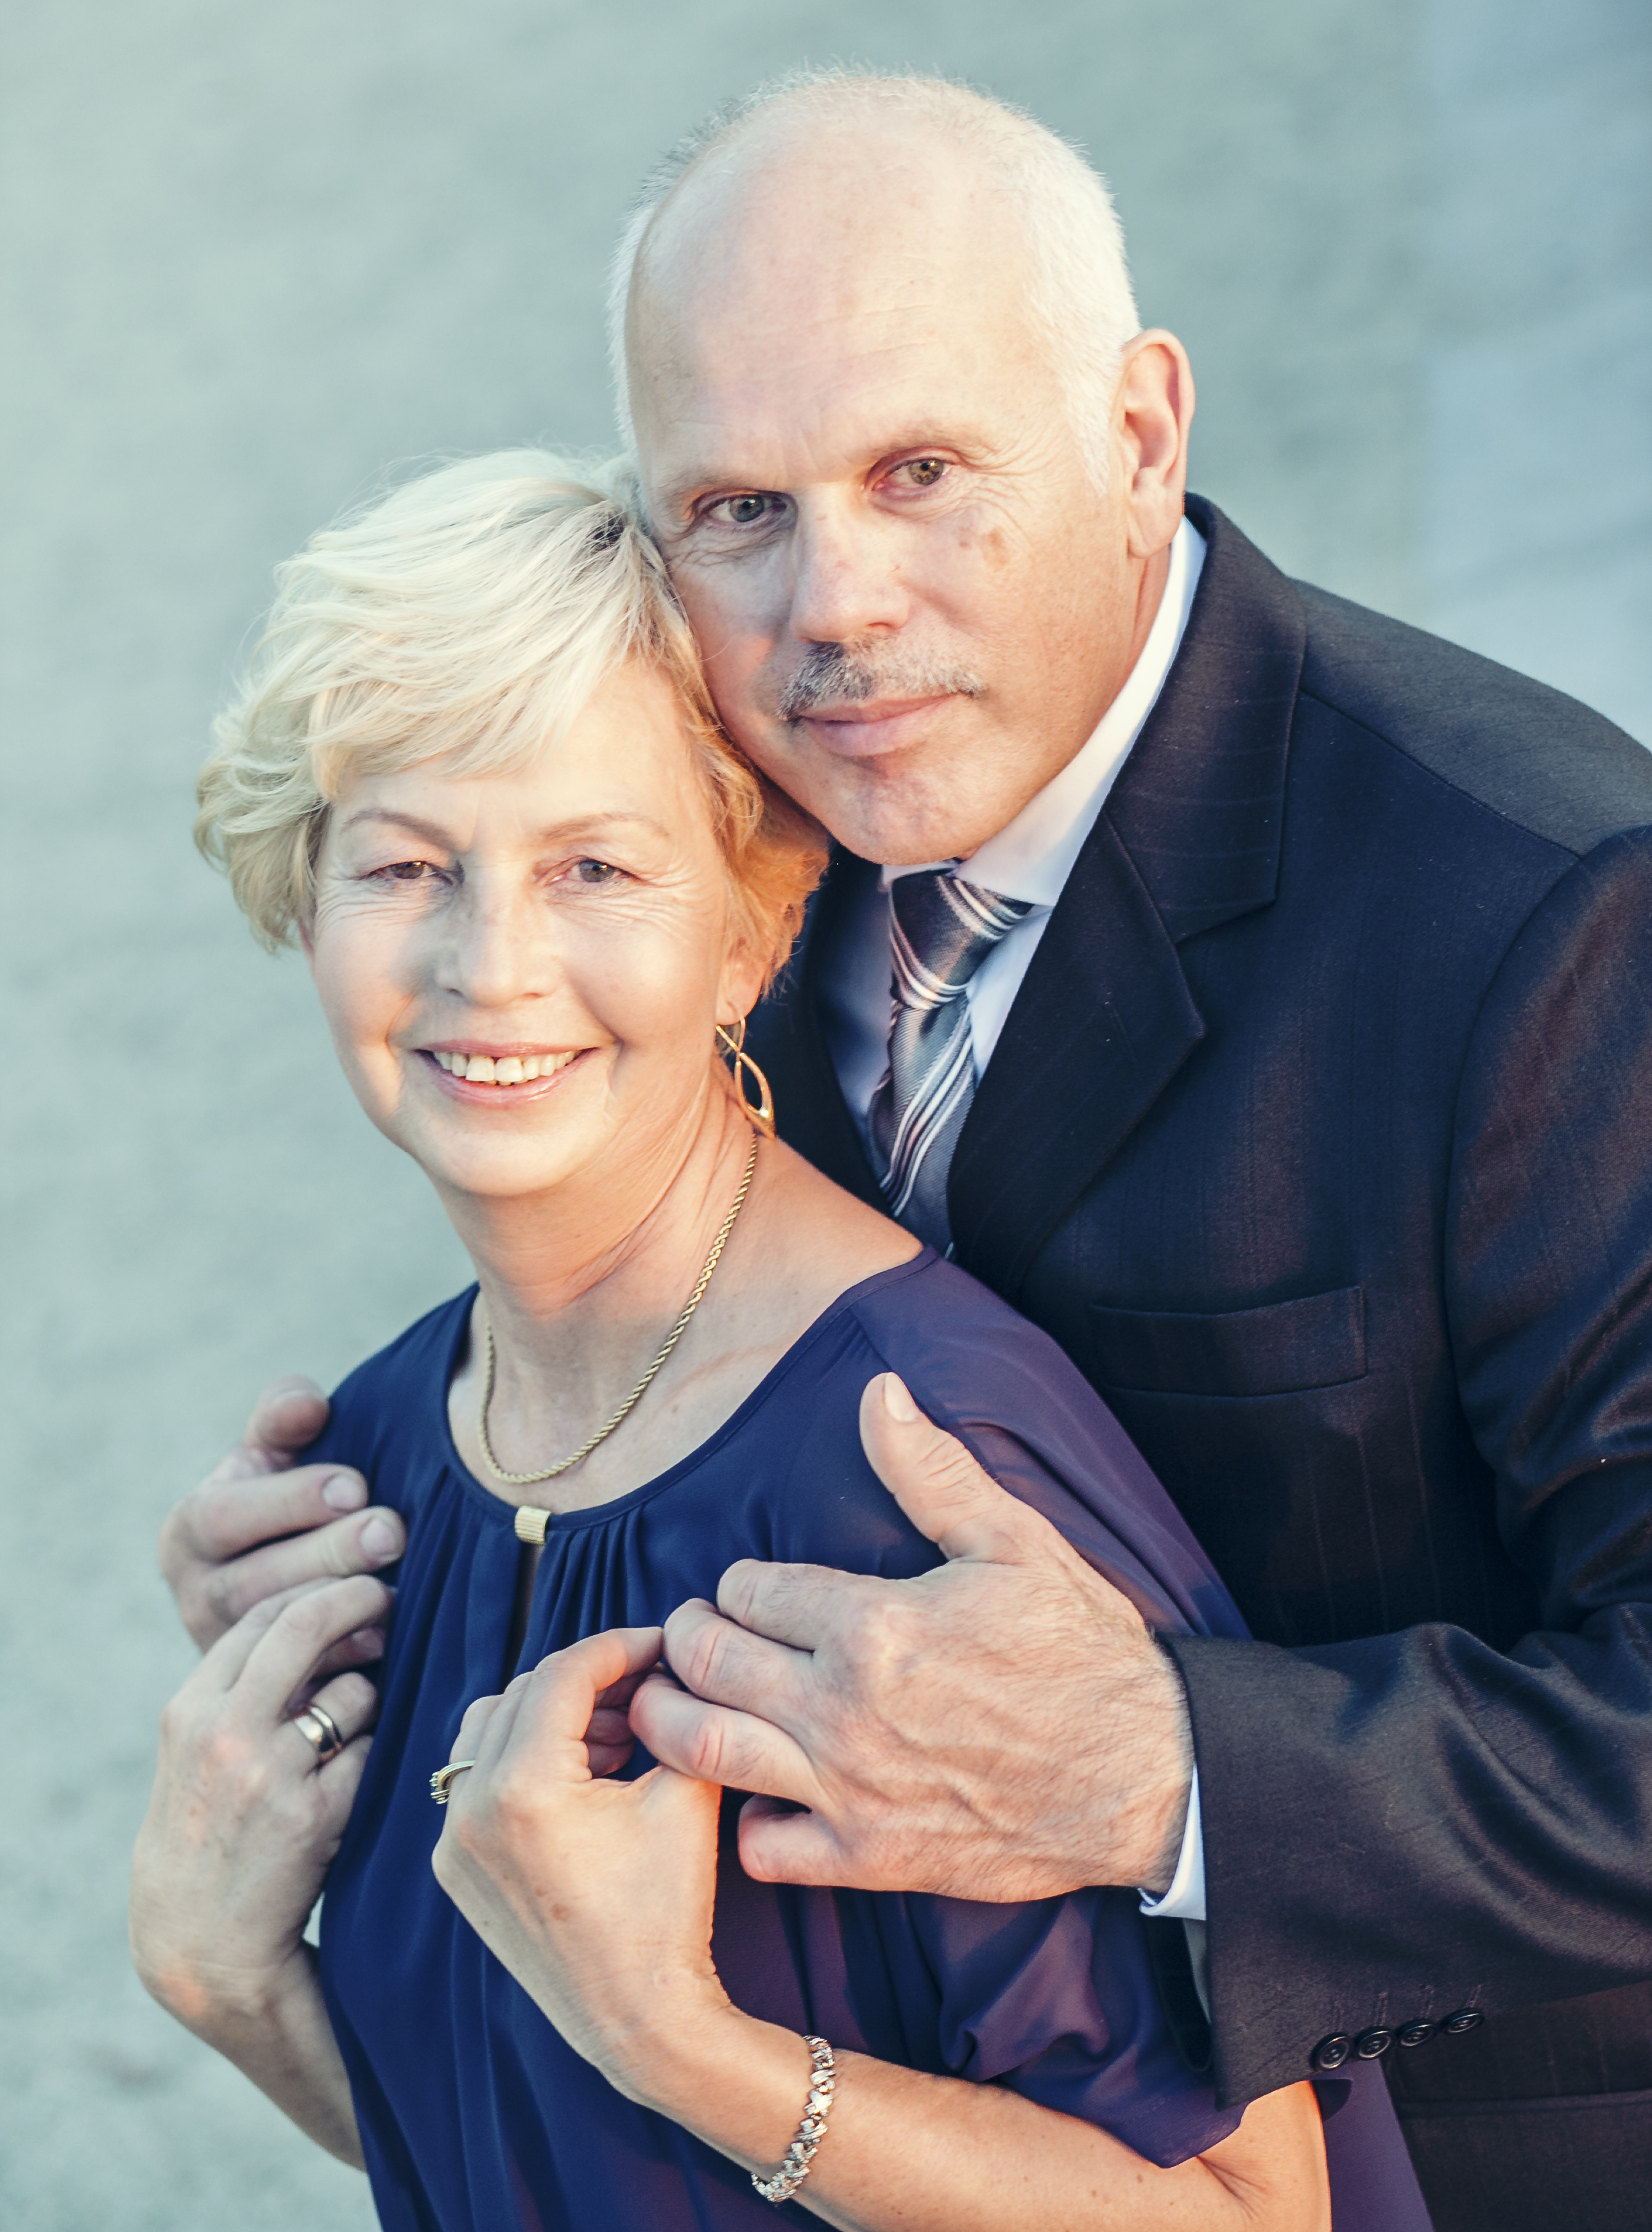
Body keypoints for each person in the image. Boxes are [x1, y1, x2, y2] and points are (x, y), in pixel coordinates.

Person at [159, 73, 1652, 2232]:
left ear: (1139, 428)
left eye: (921, 472)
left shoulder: (1550, 916)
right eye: (738, 509)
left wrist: (1166, 1769)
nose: (836, 604)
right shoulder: (746, 811)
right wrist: (407, 1571)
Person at [132, 451, 1409, 2230]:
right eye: (406, 864)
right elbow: (537, 2164)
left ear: (754, 921)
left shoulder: (915, 1471)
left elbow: (1255, 2216)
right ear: (304, 896)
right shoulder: (386, 1460)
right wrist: (233, 1989)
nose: (490, 964)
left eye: (595, 865)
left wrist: (685, 2045)